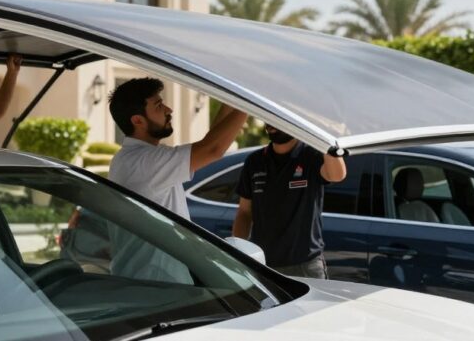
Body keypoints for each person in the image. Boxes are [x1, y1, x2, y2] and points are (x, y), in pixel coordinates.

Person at [108, 77, 247, 218]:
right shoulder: (144, 163)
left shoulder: (132, 158)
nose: (169, 110)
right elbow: (212, 149)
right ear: (138, 120)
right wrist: (248, 102)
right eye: (159, 106)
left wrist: (234, 96)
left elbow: (212, 141)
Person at [232, 123, 347, 279]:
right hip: (263, 266)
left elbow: (337, 175)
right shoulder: (255, 161)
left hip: (306, 266)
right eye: (268, 119)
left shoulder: (311, 155)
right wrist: (238, 252)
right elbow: (244, 212)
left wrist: (329, 143)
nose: (271, 124)